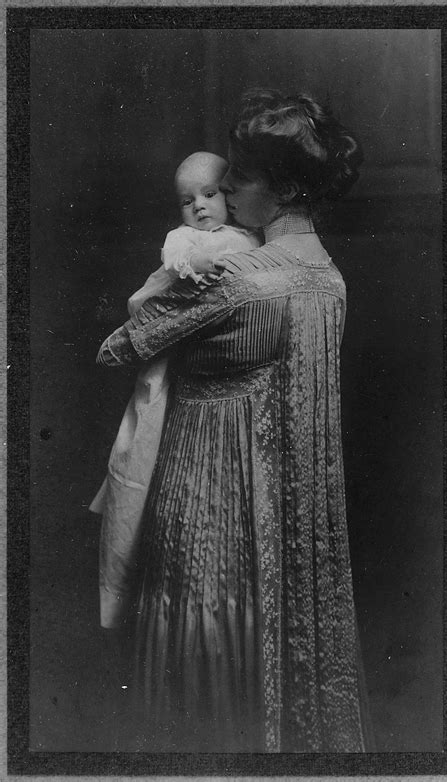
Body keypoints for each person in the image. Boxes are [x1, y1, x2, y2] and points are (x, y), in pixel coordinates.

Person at [96, 89, 373, 752]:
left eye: (239, 180)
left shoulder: (237, 277)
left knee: (205, 637)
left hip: (208, 495)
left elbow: (116, 348)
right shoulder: (328, 276)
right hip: (283, 509)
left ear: (275, 190)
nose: (226, 193)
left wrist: (160, 289)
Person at [90, 151, 260, 629]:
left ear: (229, 195)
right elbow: (173, 277)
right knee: (140, 444)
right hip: (165, 349)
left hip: (200, 360)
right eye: (188, 201)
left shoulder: (247, 239)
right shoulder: (186, 240)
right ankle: (118, 599)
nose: (200, 208)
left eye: (210, 195)